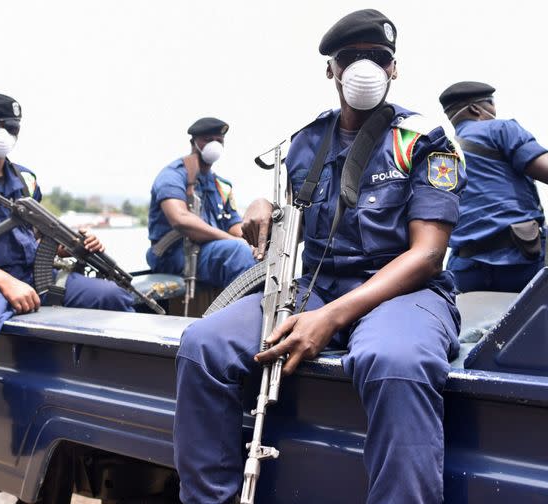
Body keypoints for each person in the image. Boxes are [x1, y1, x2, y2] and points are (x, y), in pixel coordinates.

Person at [173, 9, 466, 504]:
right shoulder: (305, 143)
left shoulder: (425, 139)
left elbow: (428, 255)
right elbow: (292, 227)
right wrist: (262, 207)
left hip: (404, 292)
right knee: (203, 345)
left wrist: (329, 319)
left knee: (394, 360)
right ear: (330, 68)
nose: (364, 68)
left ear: (395, 68)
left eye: (378, 58)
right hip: (315, 288)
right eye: (351, 58)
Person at [0, 93, 135, 500]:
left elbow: (36, 237)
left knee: (112, 299)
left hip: (31, 275)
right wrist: (4, 282)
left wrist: (74, 243)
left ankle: (106, 410)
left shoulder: (25, 179)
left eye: (10, 127)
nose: (2, 134)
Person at [439, 81, 548, 292]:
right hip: (523, 258)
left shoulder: (441, 152)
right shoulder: (500, 128)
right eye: (491, 104)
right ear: (475, 108)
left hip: (466, 270)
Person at [146, 117, 255, 292]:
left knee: (257, 253)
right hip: (174, 254)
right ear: (193, 142)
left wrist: (256, 240)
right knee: (237, 252)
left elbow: (235, 226)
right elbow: (180, 219)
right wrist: (234, 241)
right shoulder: (173, 175)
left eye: (219, 141)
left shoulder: (222, 185)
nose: (215, 145)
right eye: (208, 140)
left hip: (210, 250)